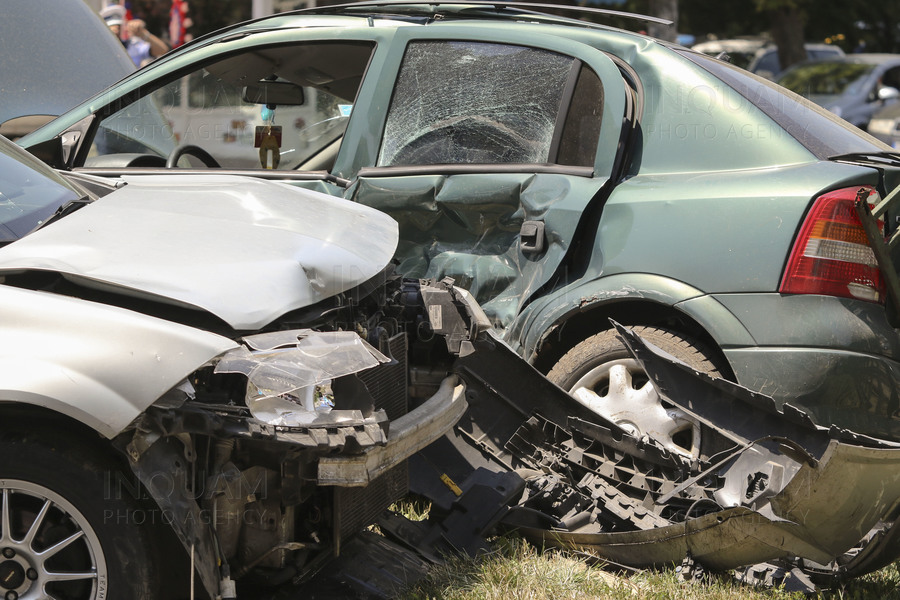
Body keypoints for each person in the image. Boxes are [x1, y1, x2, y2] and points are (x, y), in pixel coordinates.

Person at [100, 4, 169, 68]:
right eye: (111, 27)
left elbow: (162, 50)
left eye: (118, 26)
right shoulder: (100, 51)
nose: (116, 31)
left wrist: (142, 34)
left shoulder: (132, 46)